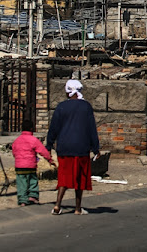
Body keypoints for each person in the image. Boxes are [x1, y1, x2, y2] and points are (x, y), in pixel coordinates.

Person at [47, 79, 100, 215]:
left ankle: (57, 205)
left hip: (64, 147)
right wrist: (96, 149)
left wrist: (49, 144)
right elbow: (91, 129)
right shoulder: (86, 107)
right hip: (81, 147)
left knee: (64, 177)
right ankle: (77, 208)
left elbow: (53, 128)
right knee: (80, 178)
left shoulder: (61, 107)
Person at [12, 119, 56, 206]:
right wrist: (50, 160)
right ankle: (33, 196)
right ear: (32, 129)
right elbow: (43, 151)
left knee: (21, 182)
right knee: (32, 180)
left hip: (19, 166)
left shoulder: (17, 140)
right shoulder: (34, 140)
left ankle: (22, 200)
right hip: (30, 165)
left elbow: (14, 151)